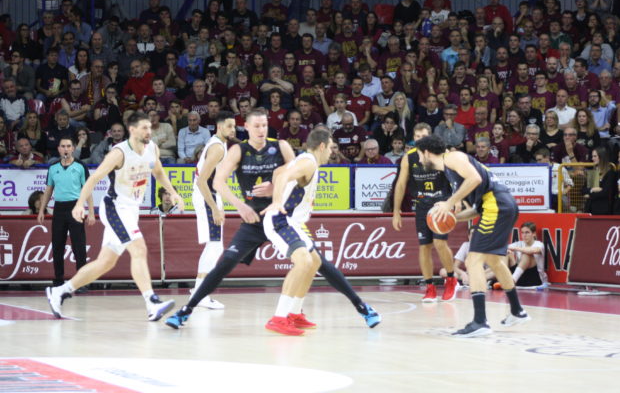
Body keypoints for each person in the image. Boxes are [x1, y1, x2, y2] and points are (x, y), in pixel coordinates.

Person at [165, 109, 381, 330]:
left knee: (319, 263)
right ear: (246, 127)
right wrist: (240, 206)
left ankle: (351, 308)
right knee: (226, 263)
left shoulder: (281, 146)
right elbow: (218, 182)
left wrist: (273, 189)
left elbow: (289, 173)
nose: (261, 130)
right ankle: (186, 310)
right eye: (257, 126)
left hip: (281, 217)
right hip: (254, 218)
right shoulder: (238, 151)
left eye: (265, 125)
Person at [46, 112, 181, 321]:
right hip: (115, 208)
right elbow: (93, 179)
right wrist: (79, 204)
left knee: (105, 263)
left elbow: (159, 172)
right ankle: (151, 302)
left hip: (131, 210)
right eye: (144, 128)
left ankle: (60, 291)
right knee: (139, 249)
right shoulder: (119, 153)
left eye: (150, 127)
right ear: (132, 130)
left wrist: (173, 193)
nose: (149, 131)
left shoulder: (152, 148)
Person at [419, 136, 529, 337]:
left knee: (473, 260)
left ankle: (480, 321)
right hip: (499, 206)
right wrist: (452, 218)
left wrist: (448, 203)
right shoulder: (452, 171)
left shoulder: (451, 157)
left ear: (426, 152)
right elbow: (476, 210)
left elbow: (475, 179)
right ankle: (517, 310)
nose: (419, 160)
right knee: (495, 261)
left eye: (419, 155)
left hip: (496, 207)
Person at [260, 128, 334, 335]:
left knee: (314, 262)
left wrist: (276, 188)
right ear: (322, 146)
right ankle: (278, 318)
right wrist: (276, 200)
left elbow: (278, 172)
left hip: (293, 222)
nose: (332, 152)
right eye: (331, 148)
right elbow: (283, 175)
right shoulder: (309, 162)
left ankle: (294, 313)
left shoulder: (303, 160)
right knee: (303, 262)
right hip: (281, 220)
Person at [392, 124, 457, 302]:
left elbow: (455, 177)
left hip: (441, 203)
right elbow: (401, 184)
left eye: (424, 136)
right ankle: (429, 287)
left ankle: (451, 279)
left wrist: (456, 200)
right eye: (417, 136)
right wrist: (396, 211)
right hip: (421, 204)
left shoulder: (442, 153)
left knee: (439, 242)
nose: (420, 139)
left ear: (430, 137)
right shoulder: (409, 157)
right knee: (424, 246)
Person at [186, 111, 237, 310]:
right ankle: (201, 294)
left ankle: (198, 291)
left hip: (209, 195)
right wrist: (214, 208)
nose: (233, 130)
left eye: (234, 126)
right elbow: (202, 181)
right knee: (215, 246)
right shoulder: (217, 147)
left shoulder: (219, 144)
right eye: (229, 126)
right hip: (207, 196)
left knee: (214, 245)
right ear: (220, 126)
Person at [38, 135, 94, 289]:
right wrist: (42, 210)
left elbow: (87, 190)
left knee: (79, 246)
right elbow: (48, 190)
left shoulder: (81, 166)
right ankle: (58, 280)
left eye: (68, 146)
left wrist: (90, 212)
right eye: (63, 146)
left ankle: (81, 282)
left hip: (76, 207)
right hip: (59, 209)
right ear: (58, 149)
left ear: (73, 148)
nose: (66, 149)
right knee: (57, 245)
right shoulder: (53, 167)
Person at [502, 222, 549, 290]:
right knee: (506, 254)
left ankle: (511, 281)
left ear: (534, 234)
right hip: (520, 277)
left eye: (527, 232)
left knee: (526, 254)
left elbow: (532, 250)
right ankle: (494, 279)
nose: (524, 235)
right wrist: (507, 250)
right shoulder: (519, 243)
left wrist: (514, 248)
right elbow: (503, 248)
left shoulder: (539, 244)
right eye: (522, 233)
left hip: (534, 279)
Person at [583, 146, 617, 215]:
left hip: (603, 210)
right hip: (589, 208)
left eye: (595, 156)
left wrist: (590, 194)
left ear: (602, 157)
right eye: (592, 156)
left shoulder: (610, 173)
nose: (592, 158)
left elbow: (605, 192)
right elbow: (583, 190)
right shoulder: (593, 172)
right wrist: (592, 190)